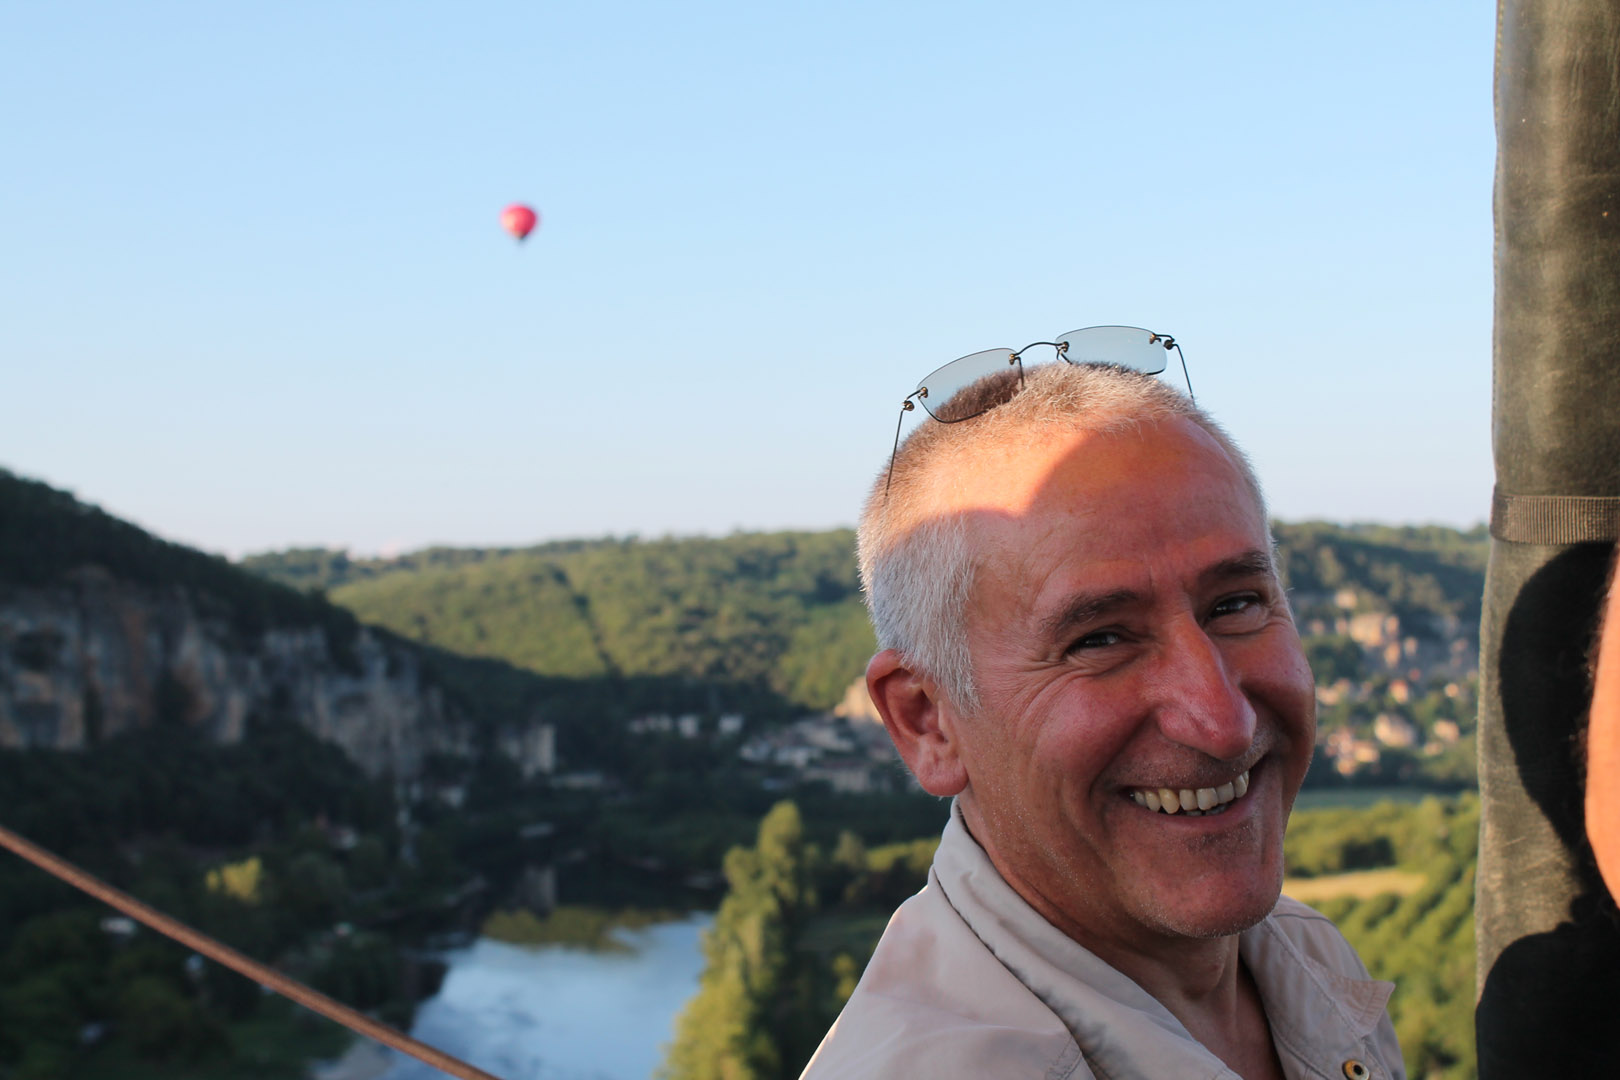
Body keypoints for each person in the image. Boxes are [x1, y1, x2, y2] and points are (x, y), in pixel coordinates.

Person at [800, 353, 1403, 1079]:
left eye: (1236, 604)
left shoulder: (1302, 956)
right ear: (929, 722)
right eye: (1100, 640)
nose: (1224, 722)